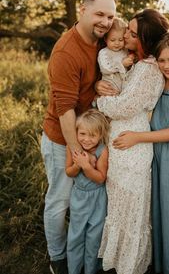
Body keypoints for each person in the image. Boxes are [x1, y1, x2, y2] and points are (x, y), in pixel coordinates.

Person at [40, 0, 116, 274]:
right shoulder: (65, 51)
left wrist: (97, 84)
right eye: (99, 14)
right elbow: (65, 110)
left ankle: (86, 251)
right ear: (82, 10)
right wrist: (78, 153)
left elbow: (97, 75)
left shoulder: (101, 42)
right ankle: (57, 258)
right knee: (60, 199)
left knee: (85, 197)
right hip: (63, 137)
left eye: (110, 16)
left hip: (89, 134)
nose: (105, 22)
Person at [113, 33, 169, 274]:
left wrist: (137, 137)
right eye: (162, 60)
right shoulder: (159, 80)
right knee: (160, 217)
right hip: (159, 155)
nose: (167, 65)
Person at [96, 9, 169, 274]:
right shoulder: (137, 63)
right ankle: (117, 263)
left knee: (131, 208)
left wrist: (97, 101)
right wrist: (99, 87)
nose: (125, 34)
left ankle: (130, 266)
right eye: (126, 29)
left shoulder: (149, 69)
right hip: (121, 142)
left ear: (145, 41)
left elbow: (125, 106)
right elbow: (117, 90)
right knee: (118, 206)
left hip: (133, 145)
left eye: (131, 33)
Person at [65, 109, 110, 274]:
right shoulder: (72, 148)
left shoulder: (102, 151)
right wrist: (78, 165)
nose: (87, 139)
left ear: (100, 135)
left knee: (94, 237)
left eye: (93, 135)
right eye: (82, 133)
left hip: (98, 198)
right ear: (76, 132)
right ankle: (74, 270)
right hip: (79, 197)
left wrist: (86, 166)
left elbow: (100, 178)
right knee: (76, 235)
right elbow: (69, 172)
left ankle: (90, 269)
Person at [98, 17, 134, 92]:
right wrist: (122, 64)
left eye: (120, 40)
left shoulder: (125, 51)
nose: (117, 43)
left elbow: (130, 67)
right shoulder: (104, 52)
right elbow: (105, 68)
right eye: (113, 40)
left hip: (123, 88)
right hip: (109, 87)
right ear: (105, 39)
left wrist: (131, 58)